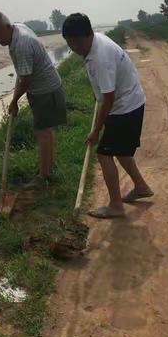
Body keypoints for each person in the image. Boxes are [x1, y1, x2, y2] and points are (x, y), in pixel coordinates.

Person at [62, 13, 153, 218]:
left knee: (104, 153)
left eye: (76, 42)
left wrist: (95, 131)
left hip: (125, 107)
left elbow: (108, 98)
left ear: (88, 35)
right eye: (69, 43)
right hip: (127, 103)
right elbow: (104, 95)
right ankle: (140, 186)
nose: (74, 48)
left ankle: (116, 205)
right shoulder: (95, 45)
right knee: (120, 150)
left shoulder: (100, 56)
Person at [0, 12, 67, 187]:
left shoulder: (21, 44)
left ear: (8, 28)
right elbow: (24, 75)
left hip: (44, 91)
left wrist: (14, 101)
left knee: (42, 132)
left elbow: (26, 80)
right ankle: (47, 168)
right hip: (45, 87)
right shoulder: (18, 28)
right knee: (44, 131)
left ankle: (44, 176)